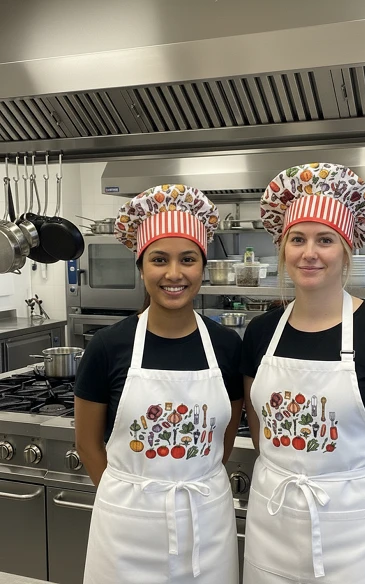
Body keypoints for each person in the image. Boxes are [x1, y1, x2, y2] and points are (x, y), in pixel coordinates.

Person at [241, 163, 365, 584]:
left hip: (356, 535)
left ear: (346, 250)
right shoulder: (261, 332)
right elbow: (260, 428)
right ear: (283, 248)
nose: (309, 253)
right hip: (273, 522)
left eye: (325, 240)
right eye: (298, 239)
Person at [74, 184, 243, 584]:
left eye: (188, 259)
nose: (174, 274)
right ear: (141, 266)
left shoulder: (226, 346)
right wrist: (127, 499)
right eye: (159, 259)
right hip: (126, 530)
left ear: (202, 267)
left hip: (206, 524)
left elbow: (225, 436)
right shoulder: (108, 346)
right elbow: (87, 443)